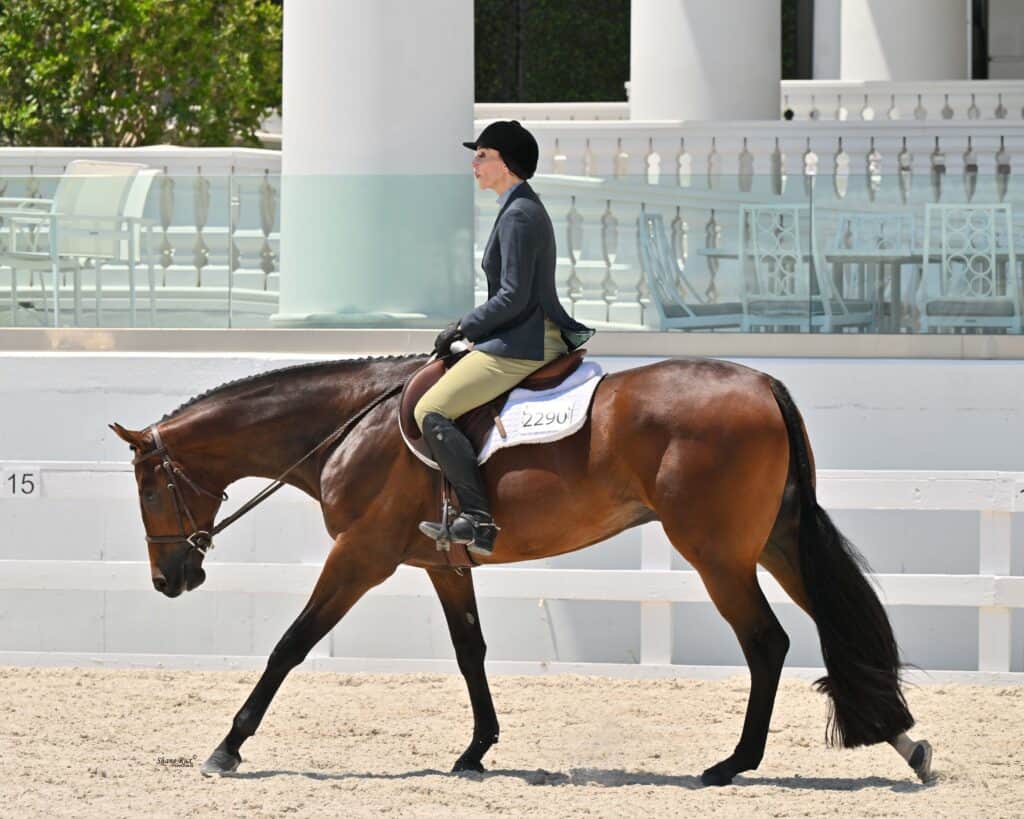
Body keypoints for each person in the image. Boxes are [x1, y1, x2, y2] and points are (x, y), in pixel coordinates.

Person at [414, 120, 595, 556]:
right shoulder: (518, 208)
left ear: (506, 163)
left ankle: (476, 519)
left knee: (431, 408)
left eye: (482, 155)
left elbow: (513, 297)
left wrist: (462, 328)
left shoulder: (518, 215)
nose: (474, 163)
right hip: (522, 334)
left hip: (525, 342)